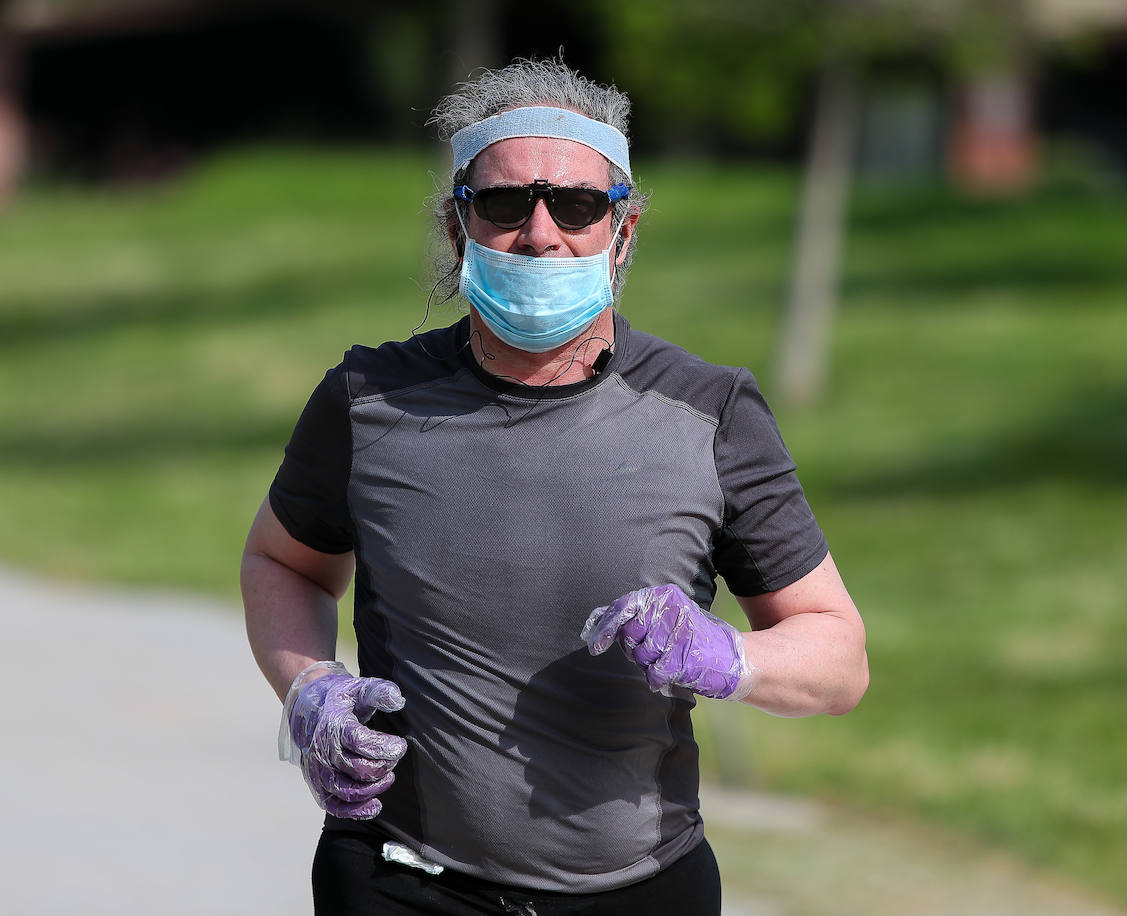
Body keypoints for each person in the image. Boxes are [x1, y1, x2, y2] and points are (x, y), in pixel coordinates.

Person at [241, 57, 868, 916]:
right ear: (459, 227)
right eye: (504, 203)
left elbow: (838, 655)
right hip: (399, 876)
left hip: (640, 889)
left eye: (577, 205)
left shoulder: (709, 411)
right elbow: (283, 563)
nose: (541, 233)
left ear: (625, 229)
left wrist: (732, 660)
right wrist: (310, 686)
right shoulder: (366, 400)